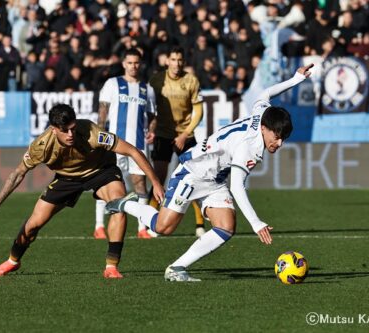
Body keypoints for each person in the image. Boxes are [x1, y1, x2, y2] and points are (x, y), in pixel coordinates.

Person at [106, 64, 314, 282]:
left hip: (214, 178)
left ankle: (177, 268)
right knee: (163, 227)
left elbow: (265, 94)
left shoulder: (263, 114)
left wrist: (295, 80)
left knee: (226, 226)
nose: (279, 143)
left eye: (283, 139)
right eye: (277, 136)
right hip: (193, 172)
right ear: (264, 128)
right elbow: (237, 186)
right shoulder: (249, 147)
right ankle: (125, 204)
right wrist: (255, 222)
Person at [0, 104, 164, 279]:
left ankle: (111, 267)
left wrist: (155, 182)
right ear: (54, 130)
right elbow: (18, 173)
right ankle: (13, 261)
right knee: (32, 225)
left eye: (73, 128)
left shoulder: (91, 131)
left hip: (101, 171)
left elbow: (132, 151)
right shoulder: (41, 146)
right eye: (65, 131)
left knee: (118, 206)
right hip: (66, 179)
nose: (71, 134)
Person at [94, 48, 157, 240]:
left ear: (140, 64)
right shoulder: (113, 84)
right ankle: (99, 226)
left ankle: (142, 228)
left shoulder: (148, 89)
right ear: (124, 64)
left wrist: (152, 130)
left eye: (136, 63)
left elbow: (153, 115)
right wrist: (99, 136)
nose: (133, 66)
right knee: (107, 181)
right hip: (114, 144)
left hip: (138, 144)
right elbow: (102, 111)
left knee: (140, 183)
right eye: (130, 62)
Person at [148, 46, 206, 237]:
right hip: (163, 135)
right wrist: (151, 128)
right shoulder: (156, 80)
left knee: (194, 178)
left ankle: (199, 225)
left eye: (180, 60)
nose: (177, 64)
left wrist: (185, 134)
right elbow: (150, 109)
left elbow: (199, 111)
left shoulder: (191, 80)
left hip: (185, 136)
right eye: (173, 59)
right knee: (158, 177)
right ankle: (151, 223)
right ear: (167, 61)